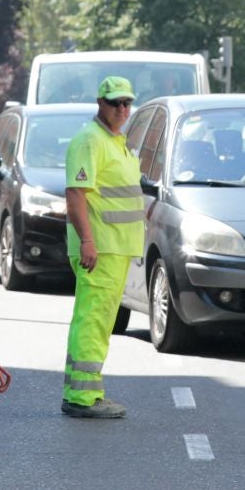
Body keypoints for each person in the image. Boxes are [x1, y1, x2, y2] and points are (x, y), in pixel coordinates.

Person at [60, 76, 143, 419]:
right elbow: (75, 194)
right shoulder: (90, 141)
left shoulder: (116, 140)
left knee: (99, 321)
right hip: (101, 248)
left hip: (116, 248)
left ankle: (87, 391)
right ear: (100, 103)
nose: (122, 109)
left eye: (127, 103)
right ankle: (81, 397)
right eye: (115, 103)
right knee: (92, 320)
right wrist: (88, 241)